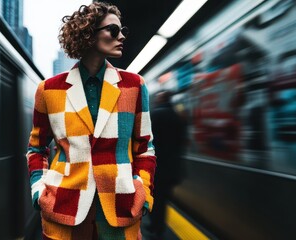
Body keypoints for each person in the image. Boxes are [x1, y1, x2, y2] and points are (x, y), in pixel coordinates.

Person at [26, 2, 156, 239]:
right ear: (88, 35)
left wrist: (143, 193)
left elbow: (145, 148)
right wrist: (38, 191)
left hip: (121, 210)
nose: (122, 37)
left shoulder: (135, 85)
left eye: (122, 30)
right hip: (62, 209)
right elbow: (36, 148)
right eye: (113, 31)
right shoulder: (48, 90)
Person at [142, 90, 187, 239]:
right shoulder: (178, 116)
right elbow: (183, 141)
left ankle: (155, 226)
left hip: (157, 166)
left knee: (154, 197)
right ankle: (159, 226)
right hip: (173, 167)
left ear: (161, 99)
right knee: (164, 199)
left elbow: (148, 141)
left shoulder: (155, 115)